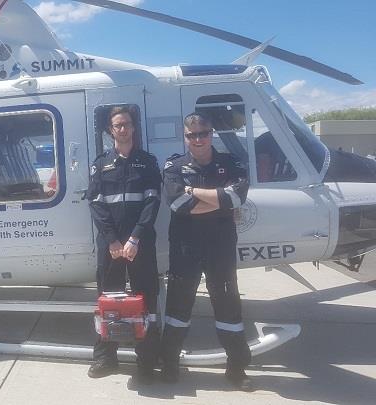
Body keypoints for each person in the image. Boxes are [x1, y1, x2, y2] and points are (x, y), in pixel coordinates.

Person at [160, 112, 253, 390]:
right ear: (185, 137)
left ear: (211, 134)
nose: (198, 139)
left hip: (220, 248)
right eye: (192, 135)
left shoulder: (231, 163)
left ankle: (236, 368)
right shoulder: (173, 165)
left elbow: (237, 198)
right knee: (178, 307)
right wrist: (220, 199)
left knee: (228, 307)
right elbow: (178, 205)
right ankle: (169, 363)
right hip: (186, 248)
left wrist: (194, 191)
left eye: (203, 133)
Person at [85, 106, 162, 388]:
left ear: (133, 128)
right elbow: (95, 204)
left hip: (140, 244)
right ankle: (105, 357)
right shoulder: (101, 163)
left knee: (148, 303)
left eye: (127, 124)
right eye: (118, 125)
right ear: (110, 130)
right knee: (107, 301)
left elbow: (153, 202)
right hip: (111, 246)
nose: (123, 129)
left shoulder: (147, 162)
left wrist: (135, 238)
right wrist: (114, 240)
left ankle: (147, 362)